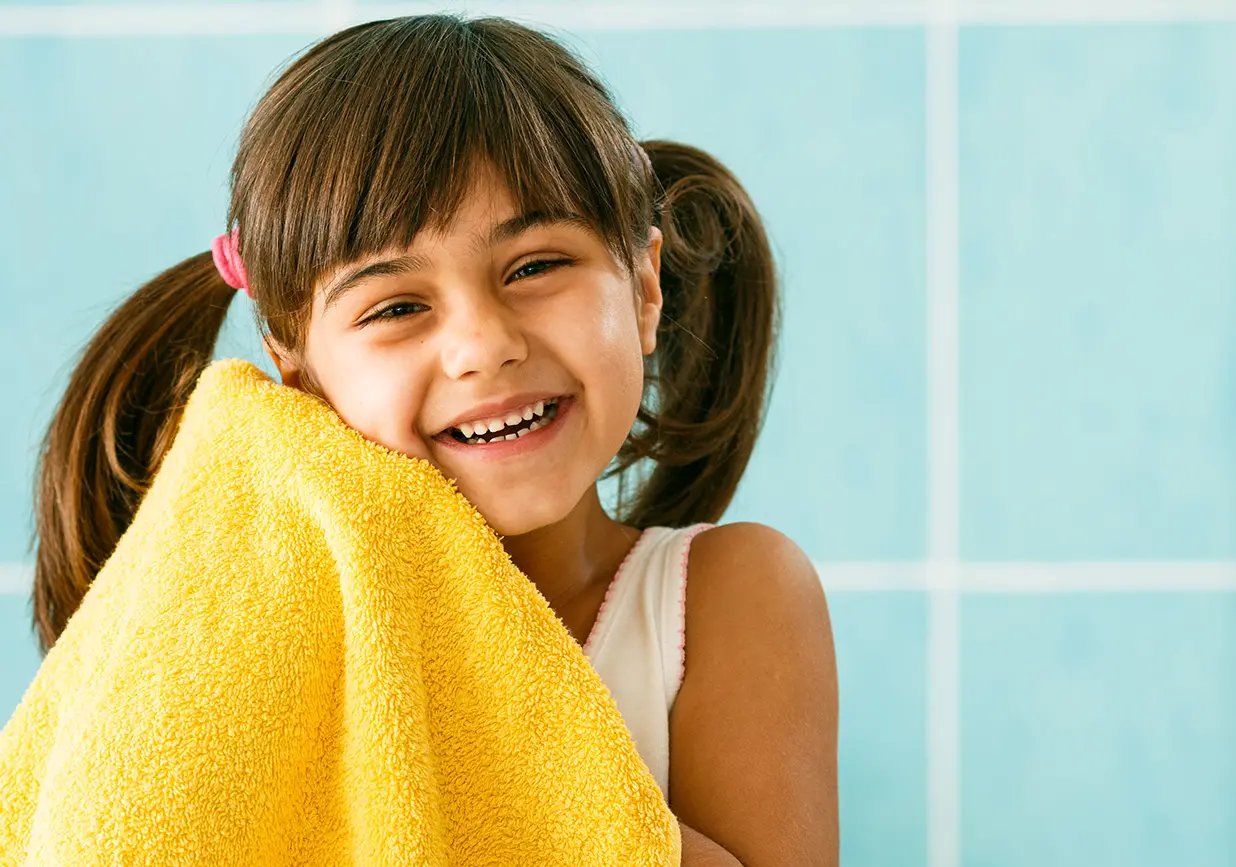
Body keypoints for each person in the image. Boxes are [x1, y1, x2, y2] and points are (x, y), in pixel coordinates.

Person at [32, 15, 838, 866]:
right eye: (396, 308)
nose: (483, 344)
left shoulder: (719, 599)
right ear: (299, 373)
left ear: (642, 287)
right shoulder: (264, 649)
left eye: (535, 267)